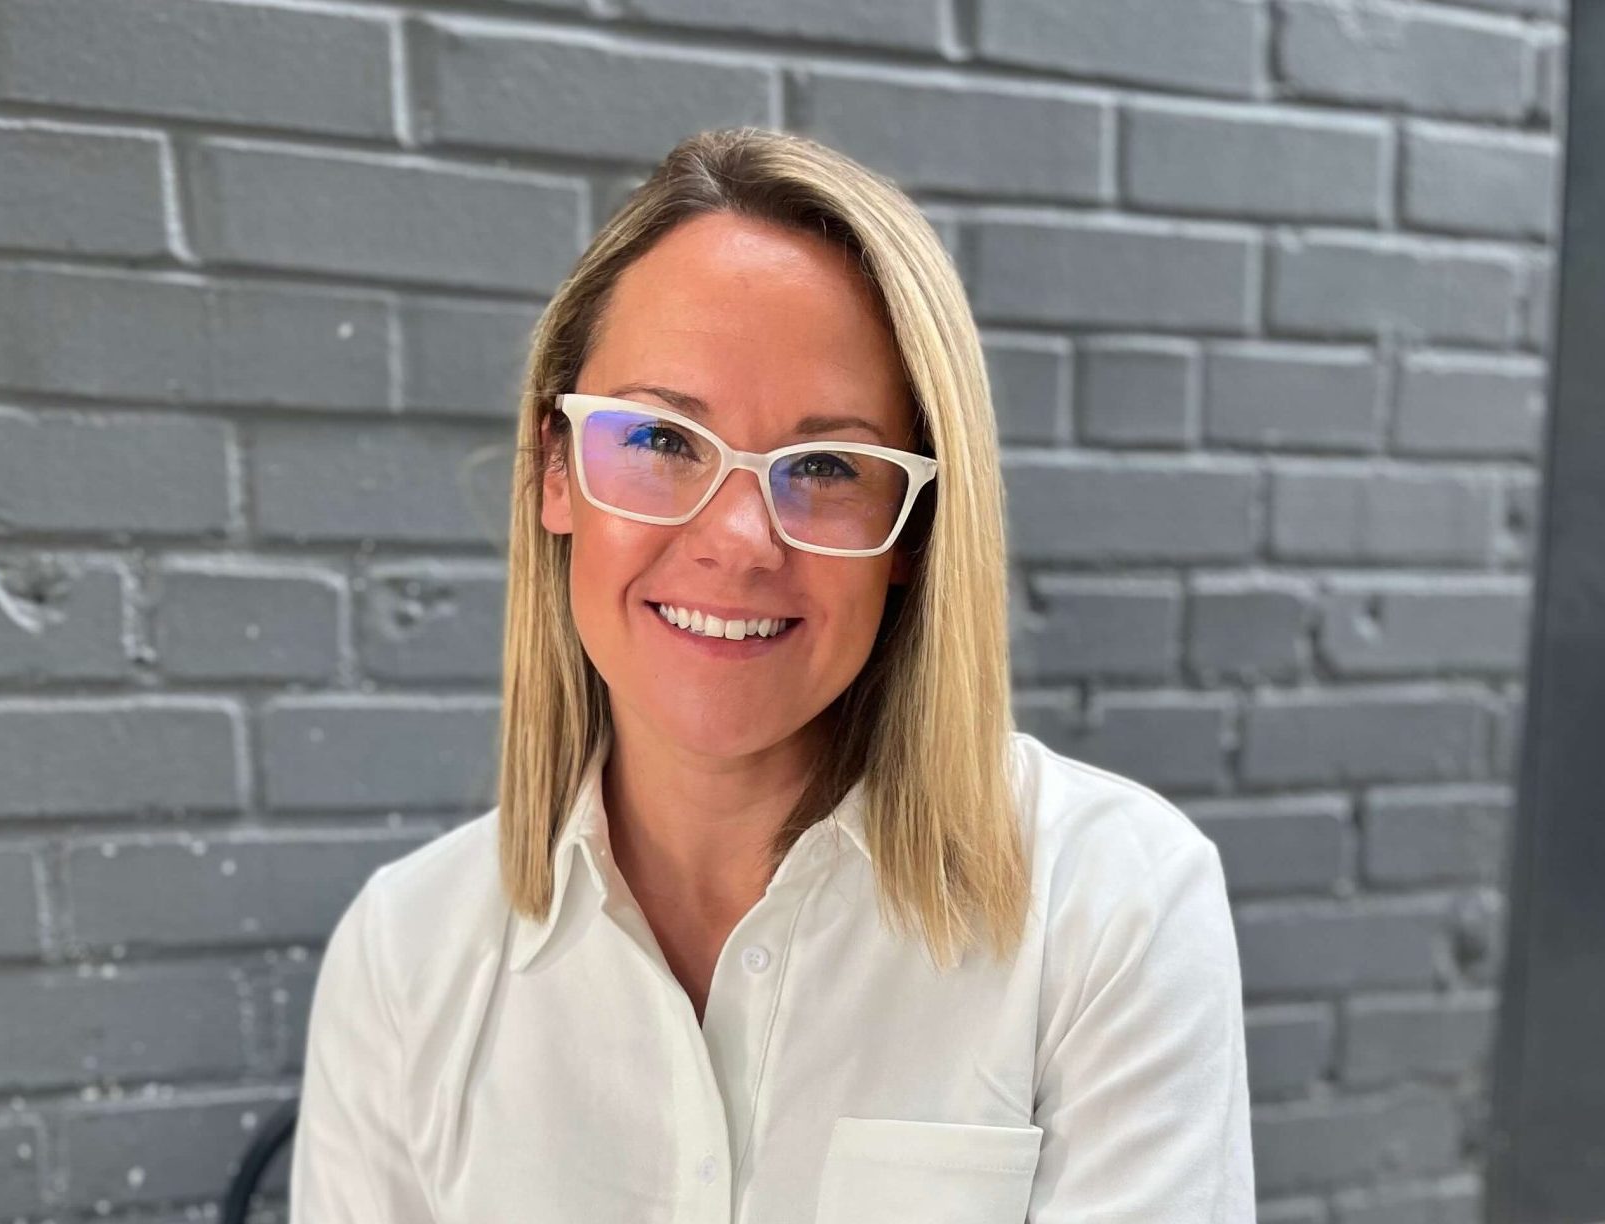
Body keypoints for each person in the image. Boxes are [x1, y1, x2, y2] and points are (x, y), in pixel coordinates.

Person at [289, 126, 1255, 1223]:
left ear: (912, 536)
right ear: (554, 472)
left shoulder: (1107, 905)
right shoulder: (405, 951)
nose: (739, 537)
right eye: (658, 441)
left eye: (827, 467)